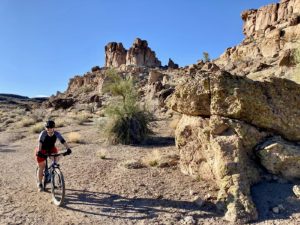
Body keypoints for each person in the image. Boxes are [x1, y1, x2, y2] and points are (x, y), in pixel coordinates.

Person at [35, 120, 72, 192]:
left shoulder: (56, 133)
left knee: (55, 161)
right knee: (41, 166)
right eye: (47, 127)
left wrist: (68, 149)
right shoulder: (43, 133)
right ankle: (39, 183)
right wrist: (39, 152)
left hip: (51, 149)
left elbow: (63, 141)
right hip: (41, 149)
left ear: (53, 127)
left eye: (51, 127)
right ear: (45, 128)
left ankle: (52, 174)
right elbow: (40, 142)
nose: (49, 128)